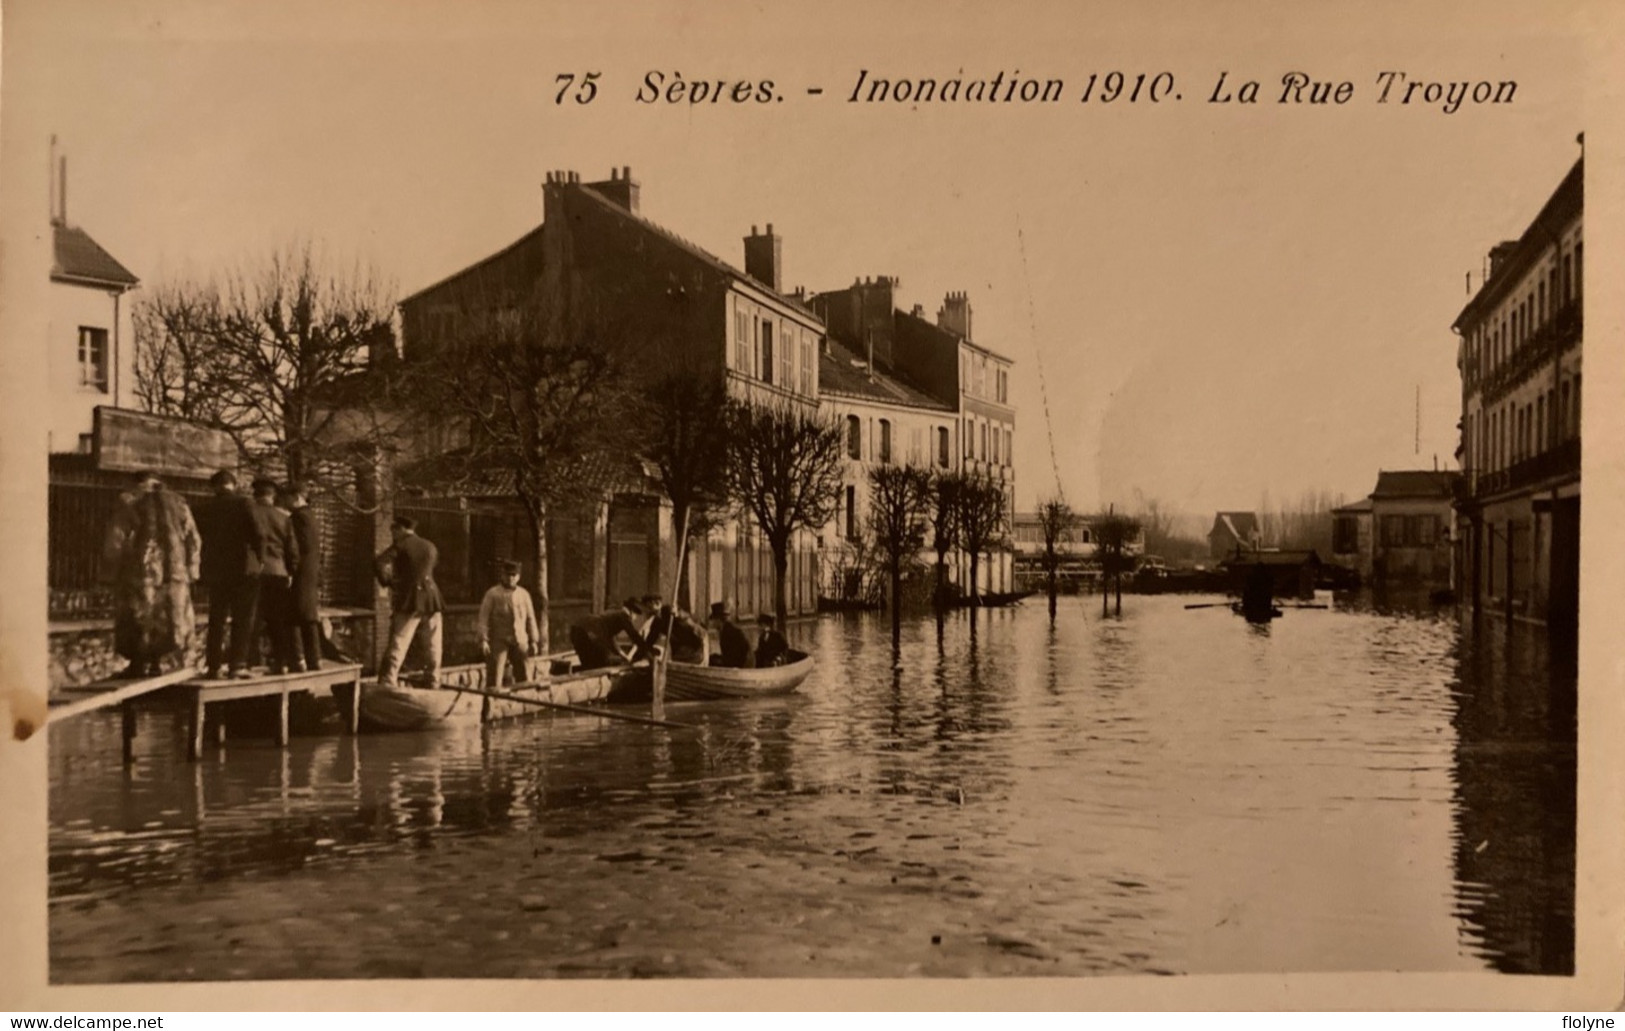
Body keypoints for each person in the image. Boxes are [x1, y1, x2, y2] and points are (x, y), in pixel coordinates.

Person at [101, 470, 201, 678]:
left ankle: (138, 663)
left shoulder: (129, 500)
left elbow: (115, 539)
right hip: (175, 571)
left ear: (136, 481)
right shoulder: (179, 503)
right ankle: (161, 662)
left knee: (139, 614)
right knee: (170, 615)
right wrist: (193, 567)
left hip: (141, 570)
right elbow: (194, 538)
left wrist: (112, 568)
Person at [195, 469, 256, 679]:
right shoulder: (244, 504)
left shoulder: (203, 509)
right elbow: (257, 533)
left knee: (216, 618)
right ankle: (237, 665)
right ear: (234, 484)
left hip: (215, 571)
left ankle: (213, 666)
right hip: (241, 570)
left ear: (213, 487)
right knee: (242, 618)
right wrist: (260, 559)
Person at [374, 514, 444, 688]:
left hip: (410, 599)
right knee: (433, 643)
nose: (392, 534)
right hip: (433, 599)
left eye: (393, 530)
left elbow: (379, 563)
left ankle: (387, 682)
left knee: (399, 641)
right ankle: (433, 680)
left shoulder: (401, 544)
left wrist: (389, 582)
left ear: (400, 529)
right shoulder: (430, 546)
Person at [243, 478, 300, 676]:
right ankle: (282, 662)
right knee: (278, 620)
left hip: (253, 572)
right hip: (279, 572)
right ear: (273, 495)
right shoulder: (284, 518)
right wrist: (291, 571)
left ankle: (246, 663)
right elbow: (292, 550)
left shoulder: (248, 513)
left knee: (251, 618)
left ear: (255, 494)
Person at [281, 482, 323, 673]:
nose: (284, 502)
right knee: (308, 616)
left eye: (287, 498)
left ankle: (298, 660)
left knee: (293, 616)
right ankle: (315, 659)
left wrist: (291, 569)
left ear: (297, 497)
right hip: (310, 572)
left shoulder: (298, 517)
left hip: (300, 571)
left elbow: (297, 548)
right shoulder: (311, 516)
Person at [478, 560, 539, 689]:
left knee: (524, 674)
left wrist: (534, 641)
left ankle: (524, 701)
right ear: (502, 575)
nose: (511, 578)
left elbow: (530, 618)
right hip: (499, 640)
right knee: (494, 677)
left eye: (514, 575)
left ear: (518, 577)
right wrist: (483, 640)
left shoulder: (524, 595)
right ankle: (493, 703)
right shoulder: (492, 594)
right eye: (507, 575)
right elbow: (483, 618)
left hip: (520, 639)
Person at [569, 598, 654, 671]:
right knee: (603, 661)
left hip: (577, 628)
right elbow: (634, 635)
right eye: (636, 615)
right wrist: (648, 652)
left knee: (588, 663)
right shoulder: (623, 615)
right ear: (631, 612)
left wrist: (622, 654)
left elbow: (611, 638)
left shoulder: (612, 614)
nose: (635, 618)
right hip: (592, 632)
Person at [708, 601, 754, 669]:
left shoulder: (730, 631)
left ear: (718, 620)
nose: (712, 623)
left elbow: (738, 654)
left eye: (713, 620)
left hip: (742, 665)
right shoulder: (725, 630)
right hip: (737, 662)